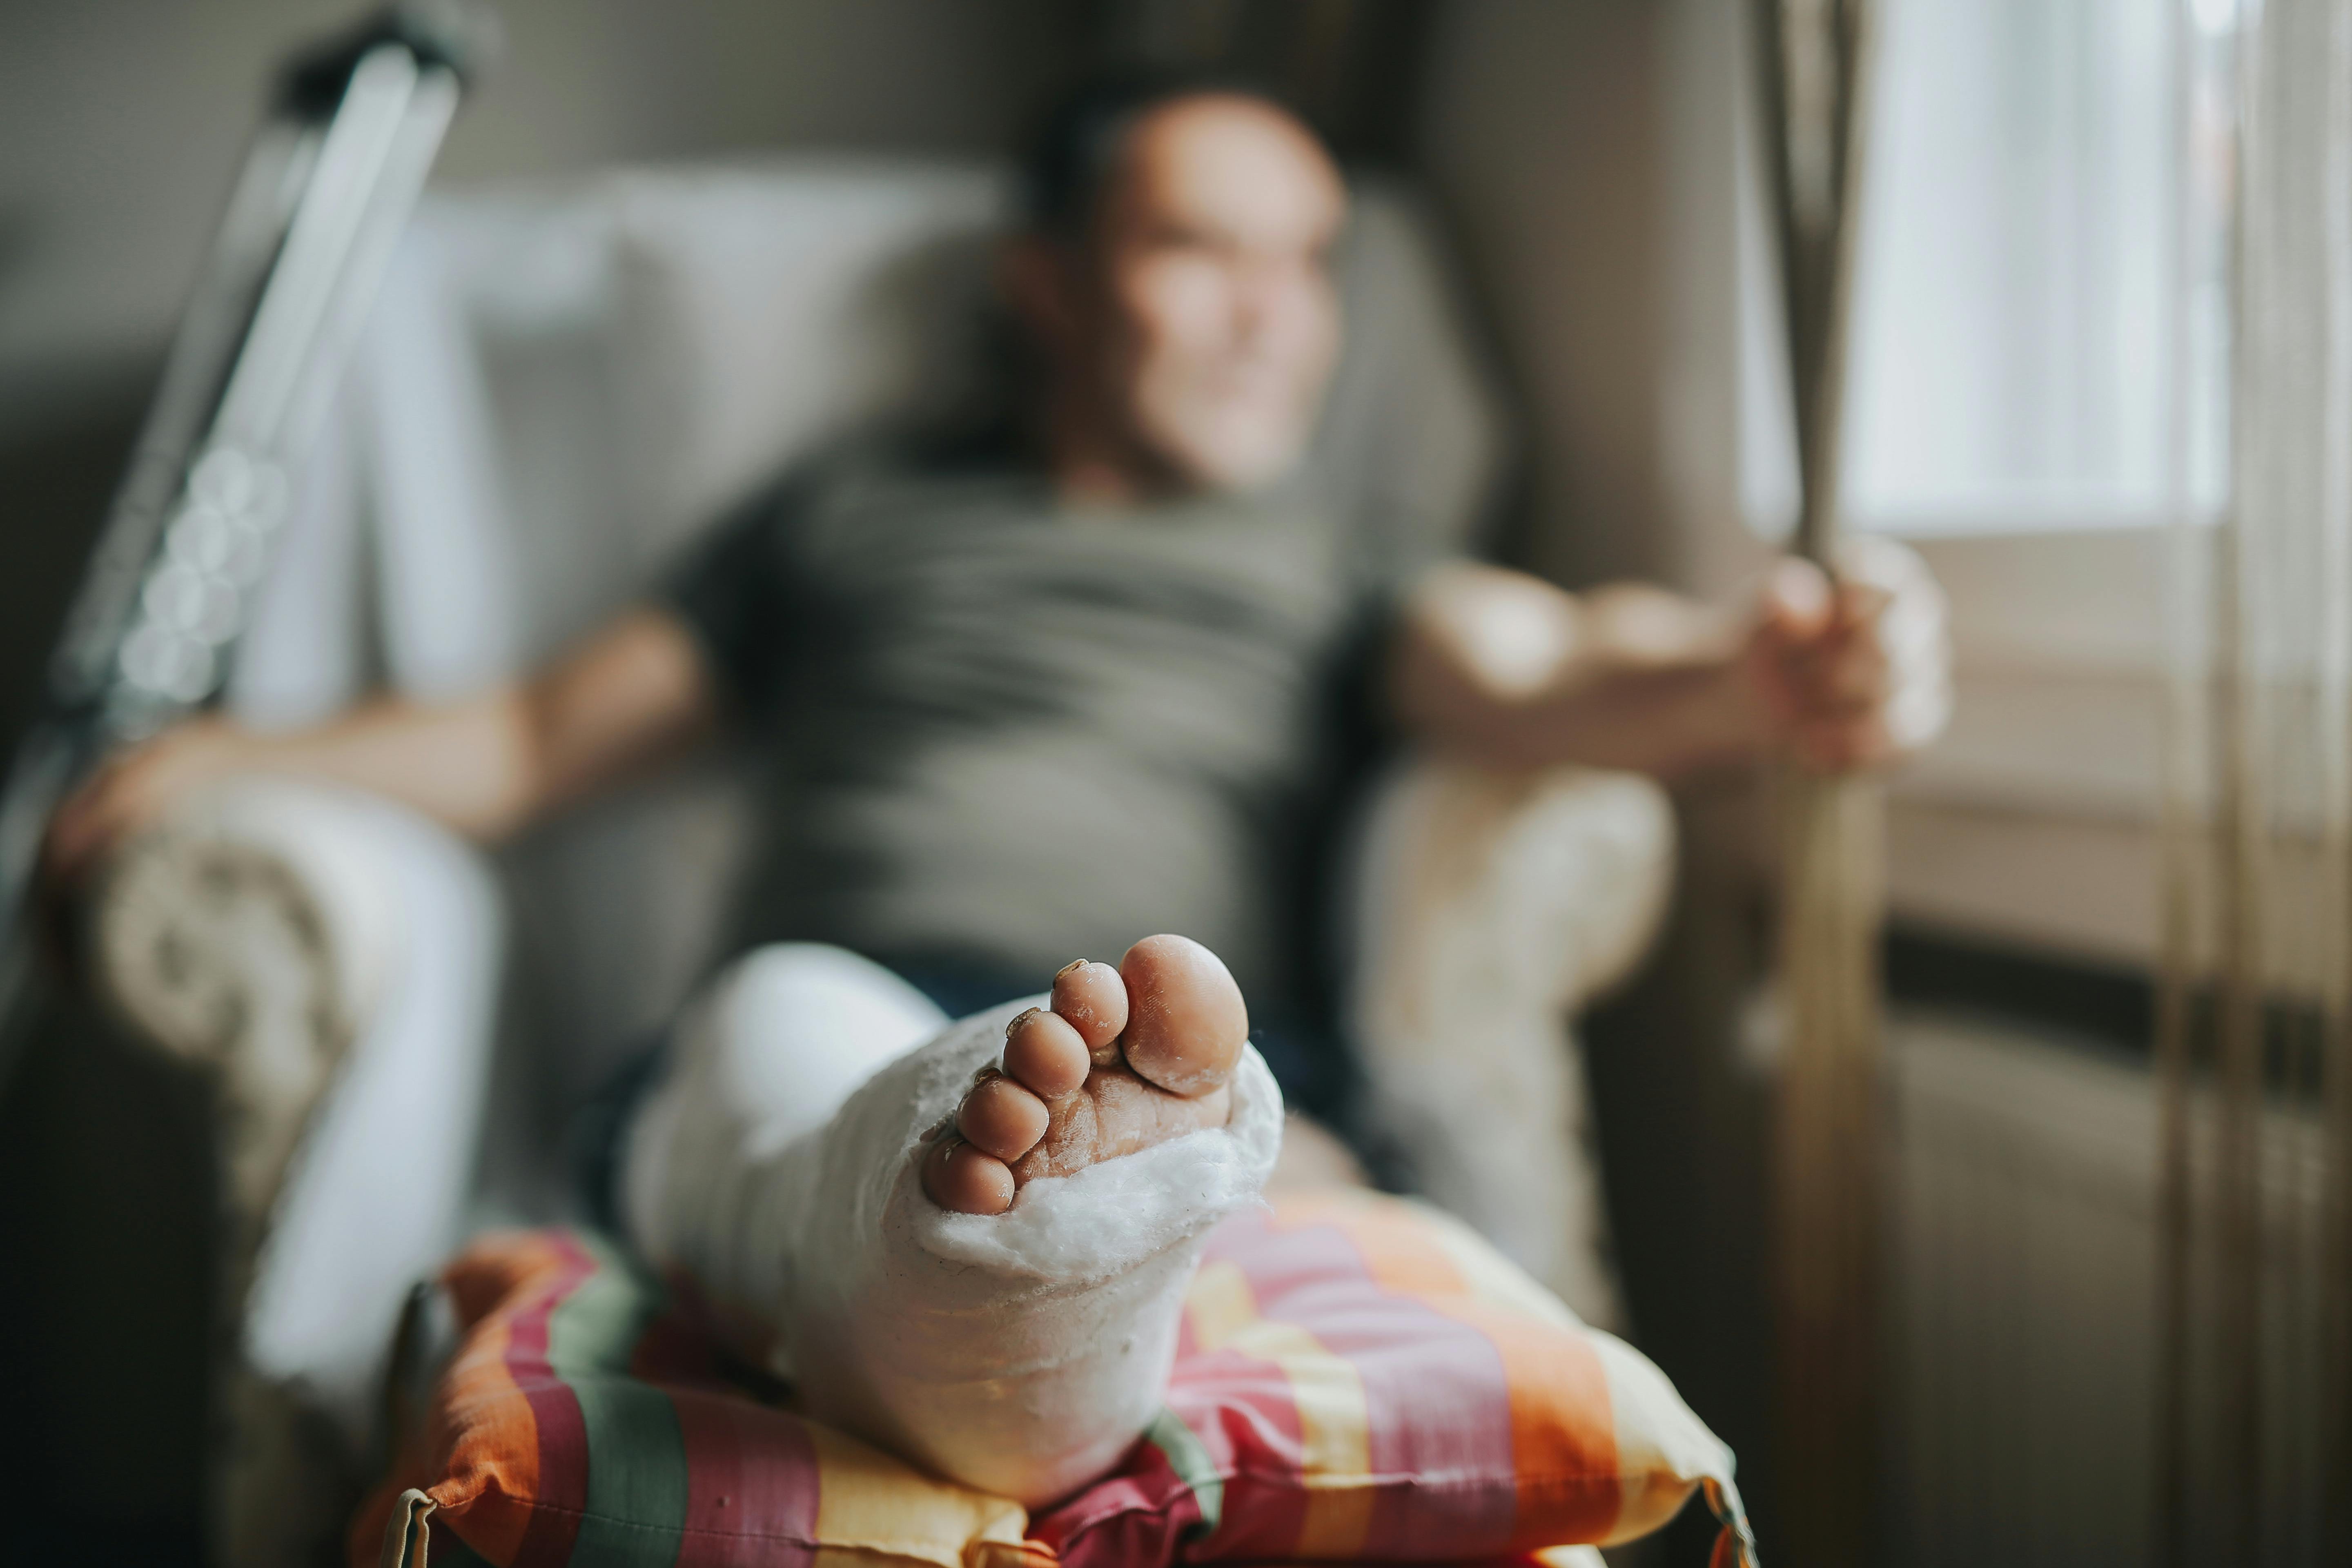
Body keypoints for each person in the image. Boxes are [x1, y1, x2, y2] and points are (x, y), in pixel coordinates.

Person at [41, 68, 1948, 1506]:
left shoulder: (1340, 560)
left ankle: (1018, 1251)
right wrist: (226, 754)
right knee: (793, 1054)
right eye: (1198, 250)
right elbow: (536, 737)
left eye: (1307, 263)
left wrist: (1744, 669)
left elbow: (1540, 662)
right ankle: (974, 1234)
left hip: (1221, 1051)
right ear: (1046, 283)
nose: (1269, 313)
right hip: (830, 994)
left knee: (1275, 1167)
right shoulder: (857, 511)